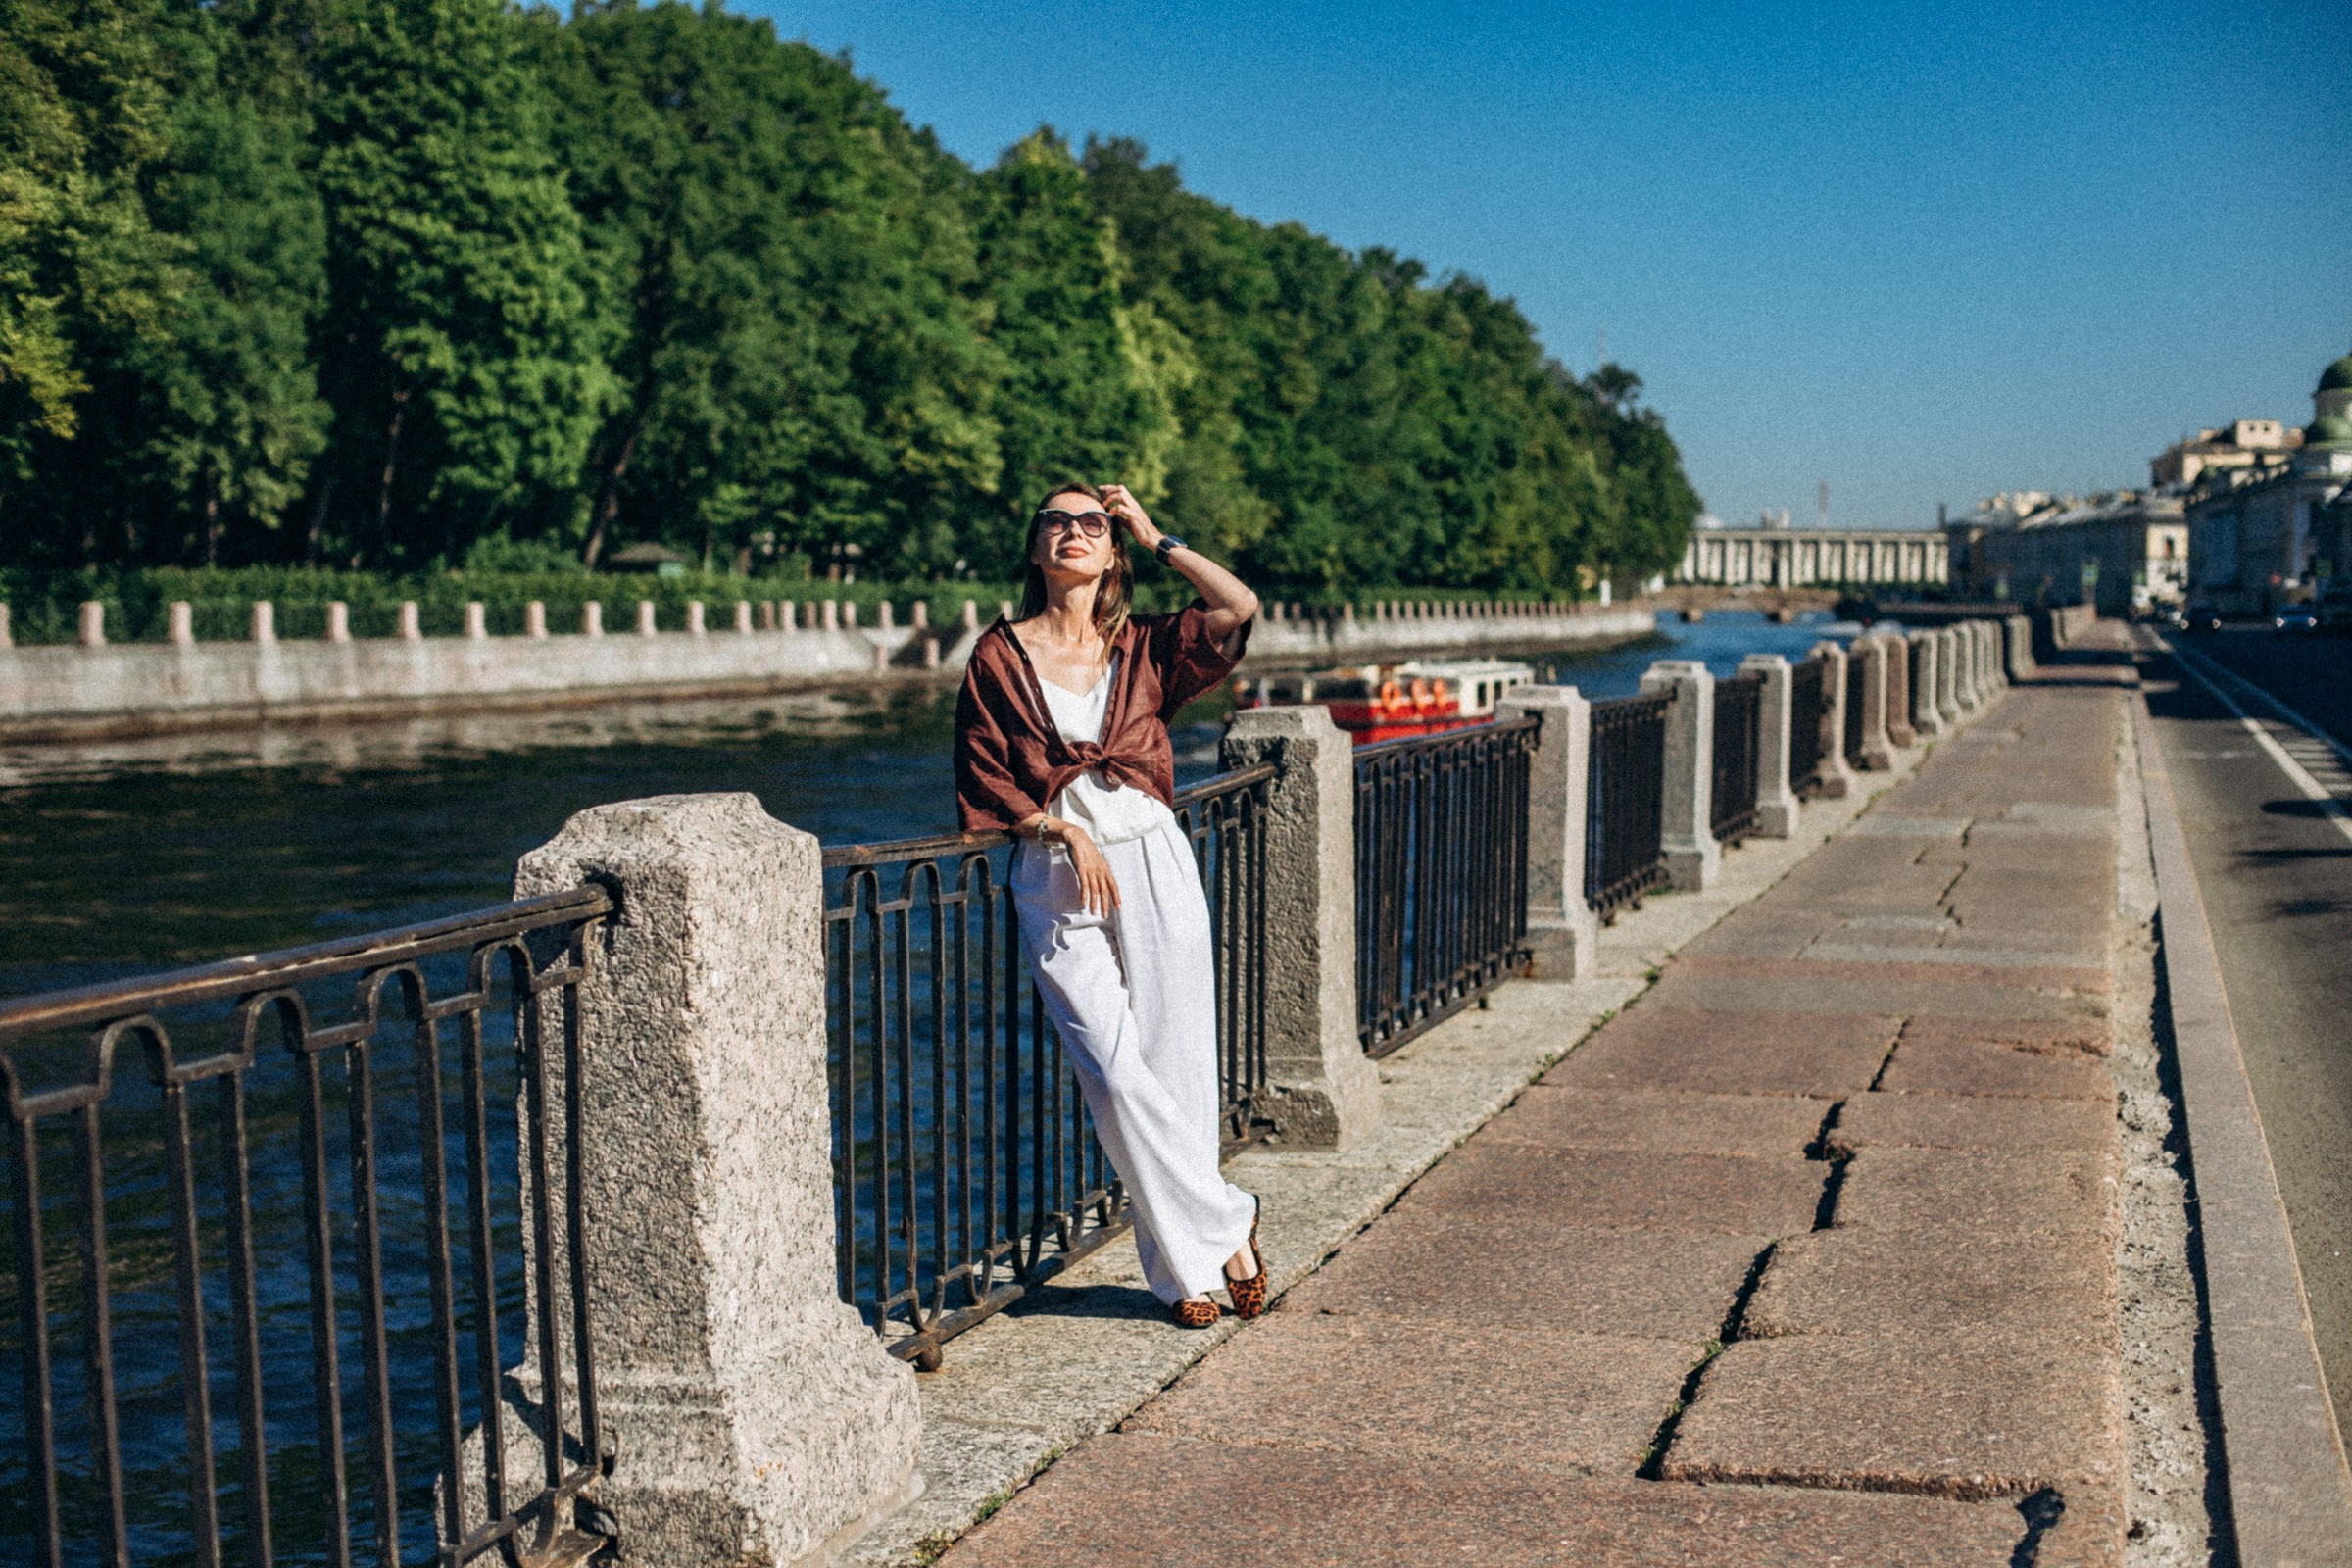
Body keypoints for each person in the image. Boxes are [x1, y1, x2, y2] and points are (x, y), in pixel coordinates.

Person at [953, 480, 1265, 1328]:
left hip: (1152, 858)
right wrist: (1057, 828)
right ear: (1034, 547)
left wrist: (1159, 535)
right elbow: (983, 772)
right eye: (1055, 522)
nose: (1072, 534)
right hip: (1055, 872)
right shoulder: (997, 654)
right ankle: (1229, 1222)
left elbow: (1238, 605)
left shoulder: (1145, 646)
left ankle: (1183, 1278)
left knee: (1177, 1065)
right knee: (1112, 1070)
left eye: (1091, 524)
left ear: (1112, 549)